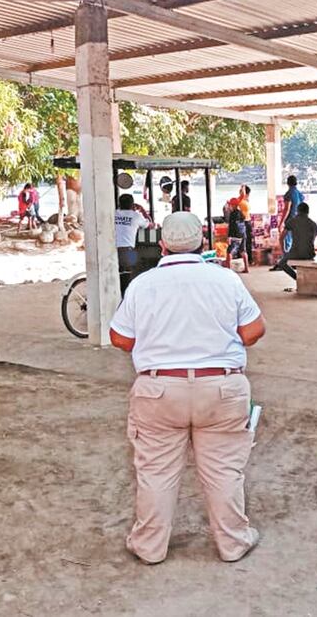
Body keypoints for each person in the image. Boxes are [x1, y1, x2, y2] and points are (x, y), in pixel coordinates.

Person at [109, 212, 266, 564]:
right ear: (203, 244)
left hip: (159, 391)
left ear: (162, 245)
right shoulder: (225, 280)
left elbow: (120, 337)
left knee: (155, 472)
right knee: (225, 470)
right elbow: (254, 331)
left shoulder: (143, 284)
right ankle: (233, 543)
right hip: (221, 389)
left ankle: (150, 547)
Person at [273, 202, 317, 281]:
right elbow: (313, 240)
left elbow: (281, 238)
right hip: (309, 254)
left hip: (295, 253)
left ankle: (297, 278)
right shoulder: (313, 224)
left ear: (297, 211)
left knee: (281, 263)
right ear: (308, 212)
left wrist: (284, 251)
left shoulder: (292, 221)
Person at [115, 193, 152, 289]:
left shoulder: (114, 213)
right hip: (128, 251)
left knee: (117, 276)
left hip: (112, 251)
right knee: (136, 273)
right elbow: (150, 225)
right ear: (132, 204)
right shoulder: (136, 216)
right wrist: (142, 210)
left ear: (119, 204)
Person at [277, 175, 304, 252]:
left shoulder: (289, 194)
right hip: (299, 220)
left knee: (287, 242)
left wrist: (281, 223)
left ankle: (287, 259)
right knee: (296, 241)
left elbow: (287, 209)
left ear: (288, 183)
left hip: (290, 221)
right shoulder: (300, 194)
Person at [224, 197, 250, 273]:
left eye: (230, 205)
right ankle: (246, 268)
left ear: (233, 205)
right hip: (243, 234)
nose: (229, 206)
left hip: (235, 235)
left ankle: (228, 270)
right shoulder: (241, 213)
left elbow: (232, 226)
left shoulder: (233, 214)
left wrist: (229, 237)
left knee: (229, 252)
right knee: (243, 251)